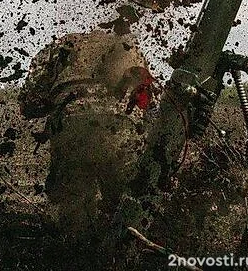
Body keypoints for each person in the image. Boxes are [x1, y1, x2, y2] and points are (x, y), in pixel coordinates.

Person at [18, 30, 158, 230]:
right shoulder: (128, 46)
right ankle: (130, 248)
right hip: (122, 129)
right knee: (129, 203)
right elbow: (151, 104)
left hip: (73, 125)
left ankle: (77, 250)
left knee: (72, 208)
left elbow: (29, 103)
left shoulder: (63, 45)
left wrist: (54, 103)